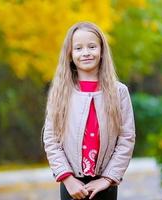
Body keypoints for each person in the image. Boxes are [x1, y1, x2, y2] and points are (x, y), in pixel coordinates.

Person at [42, 21, 136, 200]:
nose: (86, 53)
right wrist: (68, 179)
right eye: (78, 48)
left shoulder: (119, 92)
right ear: (70, 54)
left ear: (101, 52)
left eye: (92, 46)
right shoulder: (61, 92)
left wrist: (108, 178)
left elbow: (126, 138)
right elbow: (51, 139)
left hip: (105, 185)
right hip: (71, 184)